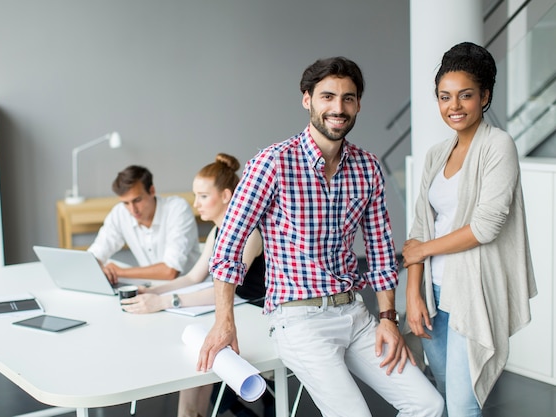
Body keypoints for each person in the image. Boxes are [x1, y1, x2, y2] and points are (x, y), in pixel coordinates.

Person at [197, 57, 444, 417]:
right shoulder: (272, 163)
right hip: (299, 320)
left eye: (348, 98)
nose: (338, 108)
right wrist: (224, 321)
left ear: (358, 104)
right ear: (307, 99)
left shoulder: (367, 166)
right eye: (327, 96)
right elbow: (229, 245)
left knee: (428, 404)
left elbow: (378, 250)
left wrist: (388, 318)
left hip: (356, 314)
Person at [402, 42, 537, 417]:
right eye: (445, 97)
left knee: (464, 404)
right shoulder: (435, 154)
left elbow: (486, 227)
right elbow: (419, 229)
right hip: (434, 291)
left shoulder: (498, 146)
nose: (454, 106)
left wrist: (424, 251)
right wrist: (413, 294)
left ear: (485, 96)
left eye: (465, 95)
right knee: (444, 392)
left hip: (472, 291)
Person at [121, 154, 270, 417]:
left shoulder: (251, 233)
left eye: (202, 196)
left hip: (255, 319)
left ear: (226, 196)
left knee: (196, 351)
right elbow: (192, 278)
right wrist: (152, 291)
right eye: (195, 195)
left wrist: (166, 301)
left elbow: (226, 291)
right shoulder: (216, 231)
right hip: (236, 313)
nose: (196, 203)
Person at [87, 165, 201, 282]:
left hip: (188, 288)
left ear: (152, 191)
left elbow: (170, 271)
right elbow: (96, 253)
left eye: (137, 200)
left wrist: (119, 271)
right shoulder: (120, 212)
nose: (132, 210)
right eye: (126, 203)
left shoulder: (177, 209)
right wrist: (98, 265)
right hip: (151, 288)